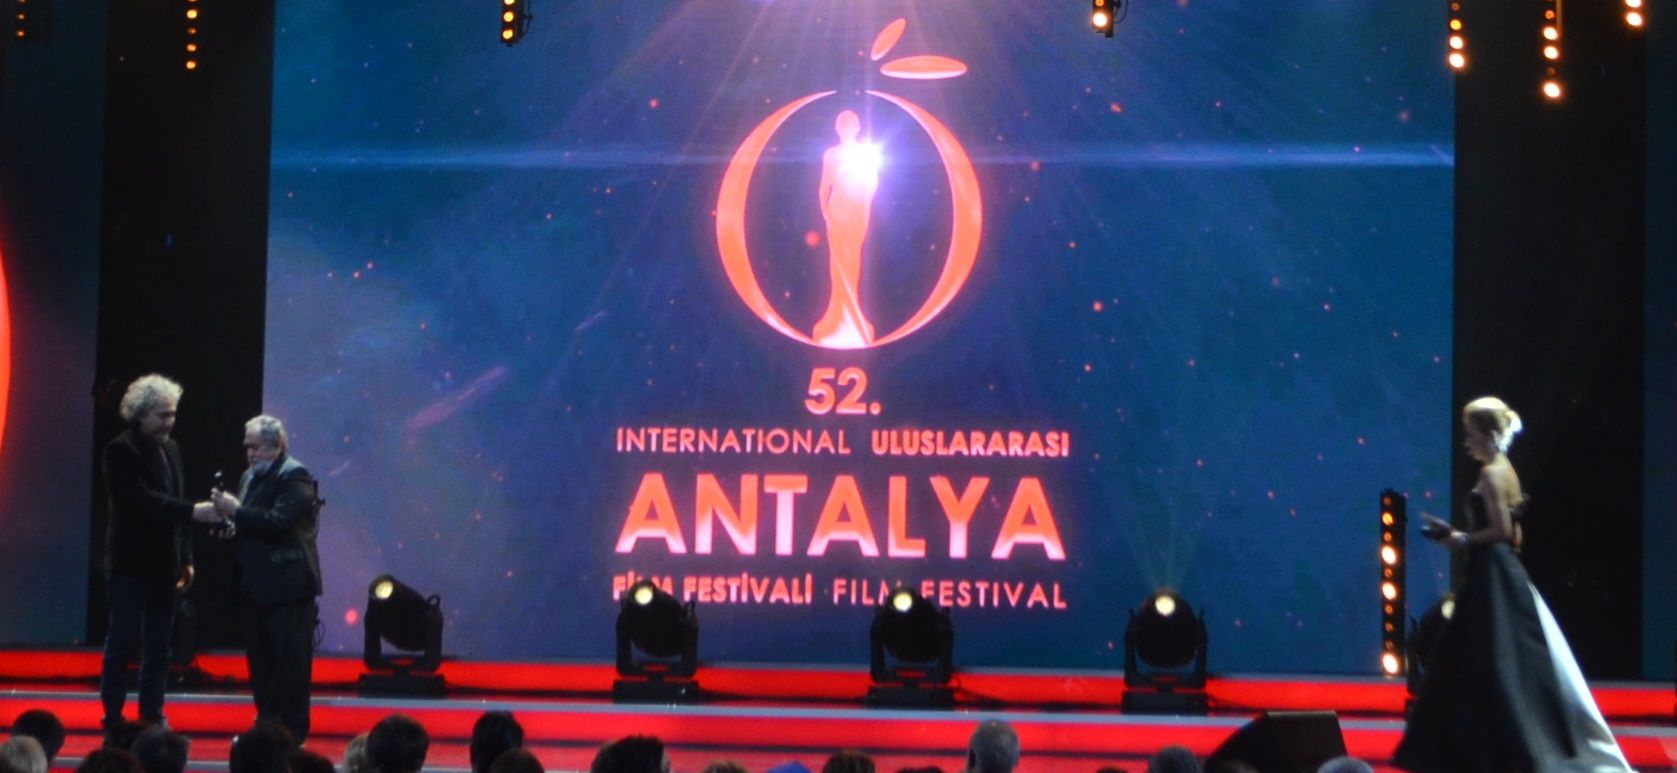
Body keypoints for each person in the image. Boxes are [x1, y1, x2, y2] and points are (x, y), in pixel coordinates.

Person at [1392, 397, 1631, 772]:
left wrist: (1461, 539)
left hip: (1492, 573)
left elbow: (1502, 531)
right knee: (1498, 661)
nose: (1466, 442)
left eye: (1471, 434)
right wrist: (1458, 534)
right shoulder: (1507, 470)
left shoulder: (1490, 474)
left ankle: (1478, 749)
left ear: (1490, 435)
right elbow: (1514, 532)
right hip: (1500, 569)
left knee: (1488, 660)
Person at [100, 374, 216, 734]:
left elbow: (175, 506)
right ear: (140, 414)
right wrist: (192, 511)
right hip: (130, 563)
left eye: (173, 414)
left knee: (159, 647)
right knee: (121, 643)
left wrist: (187, 557)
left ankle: (151, 712)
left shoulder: (172, 449)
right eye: (162, 415)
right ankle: (113, 716)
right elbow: (143, 500)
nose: (170, 421)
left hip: (165, 565)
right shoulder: (121, 450)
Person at [196, 415, 322, 742]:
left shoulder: (294, 475)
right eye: (246, 447)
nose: (249, 453)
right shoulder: (248, 477)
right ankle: (266, 726)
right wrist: (231, 526)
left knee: (290, 664)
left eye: (255, 447)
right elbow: (251, 523)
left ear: (276, 446)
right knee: (261, 663)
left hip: (288, 587)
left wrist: (236, 511)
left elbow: (279, 520)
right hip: (256, 586)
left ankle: (291, 733)